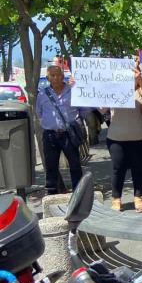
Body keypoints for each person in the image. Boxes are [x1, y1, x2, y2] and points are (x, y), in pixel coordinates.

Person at [105, 65, 142, 212]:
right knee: (118, 168)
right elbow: (101, 107)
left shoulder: (141, 91)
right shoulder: (112, 92)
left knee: (138, 168)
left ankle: (138, 197)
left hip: (138, 137)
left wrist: (140, 80)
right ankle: (116, 199)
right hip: (116, 137)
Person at [35, 65, 85, 195]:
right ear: (48, 78)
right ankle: (51, 193)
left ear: (63, 76)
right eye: (52, 75)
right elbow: (39, 113)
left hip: (68, 134)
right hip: (50, 135)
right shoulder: (42, 94)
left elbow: (83, 109)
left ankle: (78, 192)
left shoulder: (72, 91)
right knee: (51, 166)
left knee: (75, 164)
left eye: (58, 75)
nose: (56, 78)